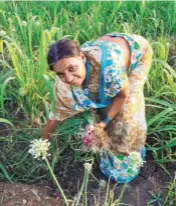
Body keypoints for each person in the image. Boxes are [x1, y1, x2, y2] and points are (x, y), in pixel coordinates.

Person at [42, 33, 153, 183]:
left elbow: (122, 95)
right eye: (61, 74)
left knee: (127, 114)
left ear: (82, 57)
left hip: (137, 53)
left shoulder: (110, 69)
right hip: (107, 51)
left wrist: (104, 123)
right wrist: (43, 143)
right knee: (101, 103)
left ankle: (130, 157)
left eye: (72, 68)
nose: (68, 78)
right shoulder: (63, 84)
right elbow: (56, 113)